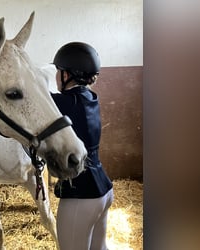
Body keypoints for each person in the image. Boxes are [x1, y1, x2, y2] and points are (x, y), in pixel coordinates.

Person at [51, 42, 114, 250]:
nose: (56, 76)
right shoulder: (90, 97)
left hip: (81, 194)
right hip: (103, 191)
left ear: (67, 75)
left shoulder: (64, 103)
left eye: (58, 71)